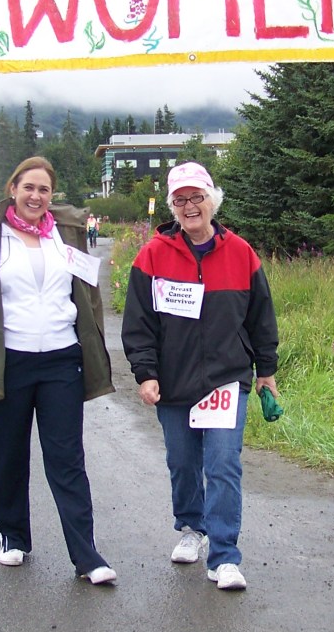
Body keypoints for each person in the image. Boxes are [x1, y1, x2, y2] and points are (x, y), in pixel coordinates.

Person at [0, 157, 117, 585]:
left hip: (61, 361)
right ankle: (13, 536)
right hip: (8, 363)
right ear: (13, 189)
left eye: (44, 190)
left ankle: (86, 556)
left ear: (52, 196)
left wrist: (94, 351)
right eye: (28, 187)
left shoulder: (67, 236)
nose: (36, 196)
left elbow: (88, 300)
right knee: (7, 457)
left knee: (67, 460)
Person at [120, 161, 279, 591]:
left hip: (227, 379)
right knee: (183, 464)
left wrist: (266, 371)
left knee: (223, 464)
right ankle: (191, 528)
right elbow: (139, 324)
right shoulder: (152, 255)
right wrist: (146, 373)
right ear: (173, 207)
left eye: (198, 197)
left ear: (213, 200)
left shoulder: (241, 253)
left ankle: (224, 555)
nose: (191, 206)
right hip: (173, 382)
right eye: (181, 200)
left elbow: (261, 318)